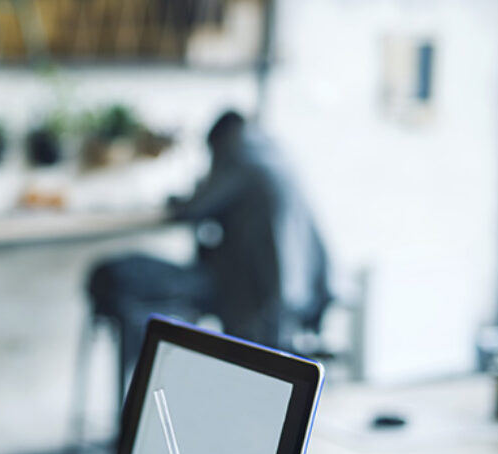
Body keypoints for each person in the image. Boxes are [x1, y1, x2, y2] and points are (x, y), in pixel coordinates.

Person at [87, 110, 331, 385]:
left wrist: (182, 197)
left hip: (248, 290)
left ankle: (140, 385)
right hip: (287, 286)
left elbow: (192, 209)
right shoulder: (276, 155)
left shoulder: (240, 157)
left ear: (218, 141)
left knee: (118, 276)